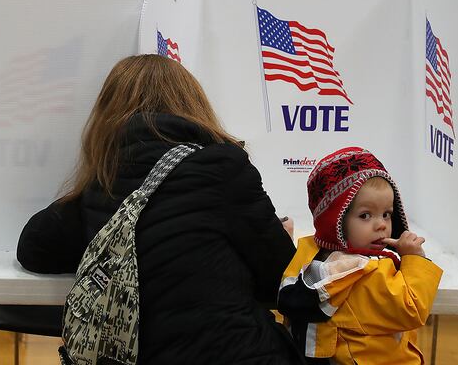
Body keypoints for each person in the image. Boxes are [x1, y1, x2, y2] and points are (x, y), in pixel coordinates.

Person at [17, 54, 302, 364]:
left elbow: (33, 247)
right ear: (192, 106)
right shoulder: (223, 166)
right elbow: (280, 280)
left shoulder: (105, 182)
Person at [277, 147, 443, 365]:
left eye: (387, 214)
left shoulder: (310, 250)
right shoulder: (361, 272)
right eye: (365, 215)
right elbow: (411, 308)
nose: (381, 224)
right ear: (335, 220)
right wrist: (415, 259)